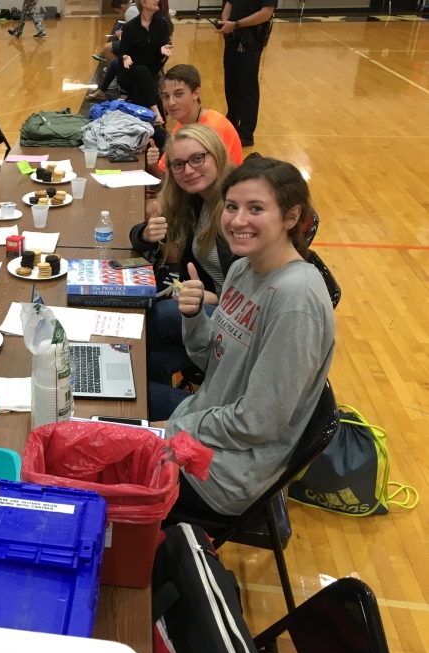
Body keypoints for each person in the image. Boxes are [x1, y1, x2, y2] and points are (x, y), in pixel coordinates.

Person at [151, 157, 336, 517]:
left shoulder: (295, 300)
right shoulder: (242, 268)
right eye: (232, 207)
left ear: (291, 217)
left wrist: (173, 428)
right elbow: (211, 359)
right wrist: (192, 316)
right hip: (205, 418)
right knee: (102, 407)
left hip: (223, 474)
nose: (237, 221)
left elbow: (258, 422)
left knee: (95, 468)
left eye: (256, 209)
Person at [131, 125, 237, 385]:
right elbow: (140, 235)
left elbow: (261, 289)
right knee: (149, 363)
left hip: (237, 318)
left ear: (217, 154)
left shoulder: (236, 208)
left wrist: (220, 298)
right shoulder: (194, 200)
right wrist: (145, 234)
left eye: (197, 159)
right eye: (178, 164)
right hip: (206, 303)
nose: (188, 170)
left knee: (159, 315)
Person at [145, 64, 243, 179]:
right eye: (166, 96)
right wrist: (152, 164)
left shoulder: (213, 128)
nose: (170, 103)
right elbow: (165, 176)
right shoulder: (182, 126)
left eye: (179, 94)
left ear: (196, 93)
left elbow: (211, 183)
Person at [87, 0, 172, 117]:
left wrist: (163, 49)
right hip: (129, 72)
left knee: (140, 84)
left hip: (150, 71)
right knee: (140, 72)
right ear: (143, 2)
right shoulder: (130, 27)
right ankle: (154, 110)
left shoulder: (161, 24)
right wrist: (125, 57)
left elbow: (162, 48)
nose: (157, 0)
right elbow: (122, 53)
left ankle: (133, 114)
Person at [217, 0, 275, 146]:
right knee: (231, 82)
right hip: (232, 38)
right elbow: (229, 4)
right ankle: (232, 122)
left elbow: (265, 13)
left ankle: (246, 133)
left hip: (251, 41)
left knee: (247, 86)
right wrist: (225, 22)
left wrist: (236, 24)